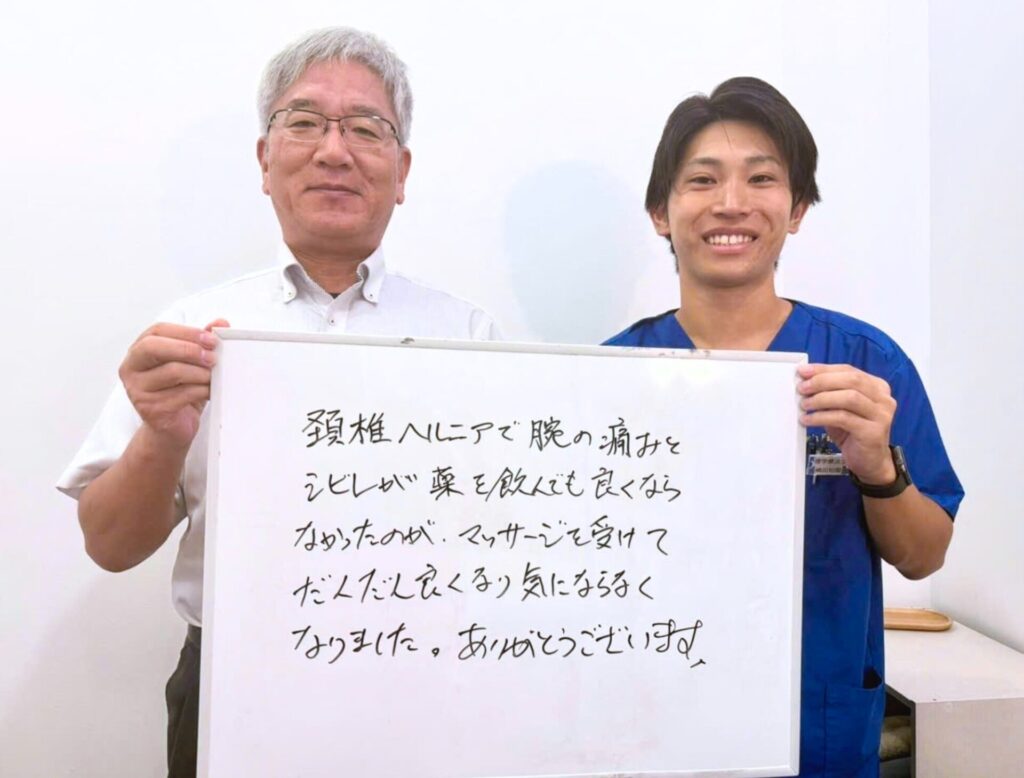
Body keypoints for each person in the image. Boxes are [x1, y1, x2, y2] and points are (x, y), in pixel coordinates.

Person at [57, 26, 498, 777]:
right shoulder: (192, 333)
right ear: (266, 160)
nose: (334, 151)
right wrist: (162, 436)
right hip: (230, 684)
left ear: (401, 171)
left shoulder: (468, 336)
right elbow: (110, 545)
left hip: (419, 684)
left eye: (366, 129)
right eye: (305, 122)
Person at [604, 77, 963, 777]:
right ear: (660, 212)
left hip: (817, 727)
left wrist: (878, 470)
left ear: (796, 209)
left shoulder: (867, 365)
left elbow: (925, 557)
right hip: (654, 723)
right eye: (703, 179)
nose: (731, 202)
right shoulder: (610, 376)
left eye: (761, 178)